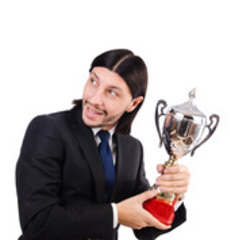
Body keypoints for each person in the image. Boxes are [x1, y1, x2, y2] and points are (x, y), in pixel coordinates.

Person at [15, 49, 189, 239]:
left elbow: (145, 228)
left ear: (133, 104)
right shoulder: (48, 129)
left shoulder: (132, 149)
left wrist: (173, 195)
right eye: (93, 81)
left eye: (112, 92)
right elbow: (37, 222)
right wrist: (115, 214)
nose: (94, 99)